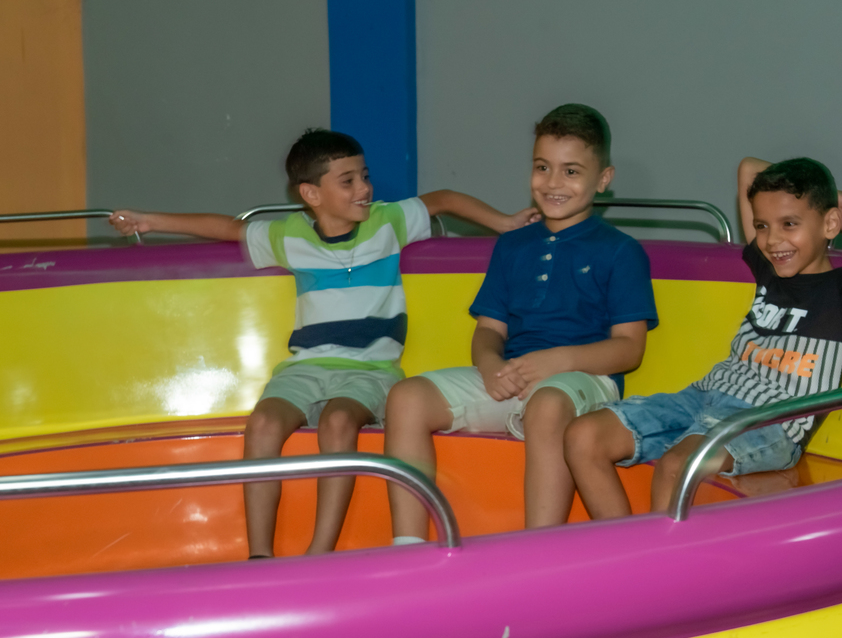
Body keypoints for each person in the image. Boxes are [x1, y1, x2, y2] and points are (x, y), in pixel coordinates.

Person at [109, 128, 537, 557]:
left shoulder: (387, 223)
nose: (364, 188)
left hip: (370, 370)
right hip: (306, 368)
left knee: (338, 421)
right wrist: (151, 221)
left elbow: (443, 198)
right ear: (311, 194)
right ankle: (259, 556)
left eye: (364, 176)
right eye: (347, 181)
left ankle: (320, 552)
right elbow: (228, 227)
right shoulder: (290, 236)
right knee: (262, 424)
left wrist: (504, 222)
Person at [564, 156, 842, 518]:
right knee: (584, 437)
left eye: (790, 224)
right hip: (703, 396)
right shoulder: (769, 269)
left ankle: (658, 569)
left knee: (677, 466)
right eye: (762, 226)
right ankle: (625, 553)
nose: (772, 240)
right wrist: (825, 196)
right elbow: (748, 169)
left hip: (770, 421)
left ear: (830, 225)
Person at [384, 104, 659, 541]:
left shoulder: (621, 251)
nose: (553, 182)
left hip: (585, 381)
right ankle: (407, 546)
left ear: (603, 178)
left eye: (571, 171)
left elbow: (629, 348)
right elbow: (489, 330)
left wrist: (558, 361)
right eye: (542, 167)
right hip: (514, 376)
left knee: (547, 404)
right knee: (406, 397)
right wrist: (490, 365)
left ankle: (539, 548)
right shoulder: (513, 246)